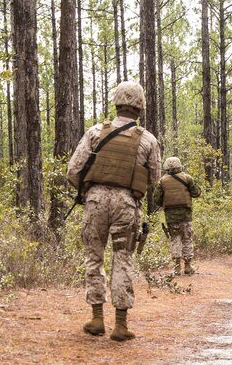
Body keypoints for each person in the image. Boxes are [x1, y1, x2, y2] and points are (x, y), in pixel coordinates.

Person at [67, 81, 161, 341]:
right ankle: (120, 324)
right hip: (126, 203)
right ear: (140, 106)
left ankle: (97, 318)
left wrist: (88, 191)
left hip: (95, 201)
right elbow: (154, 178)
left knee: (93, 257)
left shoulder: (96, 132)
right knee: (122, 258)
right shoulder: (147, 139)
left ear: (116, 102)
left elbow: (73, 170)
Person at [154, 156, 202, 276]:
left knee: (175, 239)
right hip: (186, 215)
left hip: (171, 216)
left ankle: (176, 268)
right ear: (179, 165)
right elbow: (196, 193)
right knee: (186, 239)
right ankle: (188, 266)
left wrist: (166, 203)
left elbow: (156, 199)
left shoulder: (162, 181)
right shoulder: (187, 178)